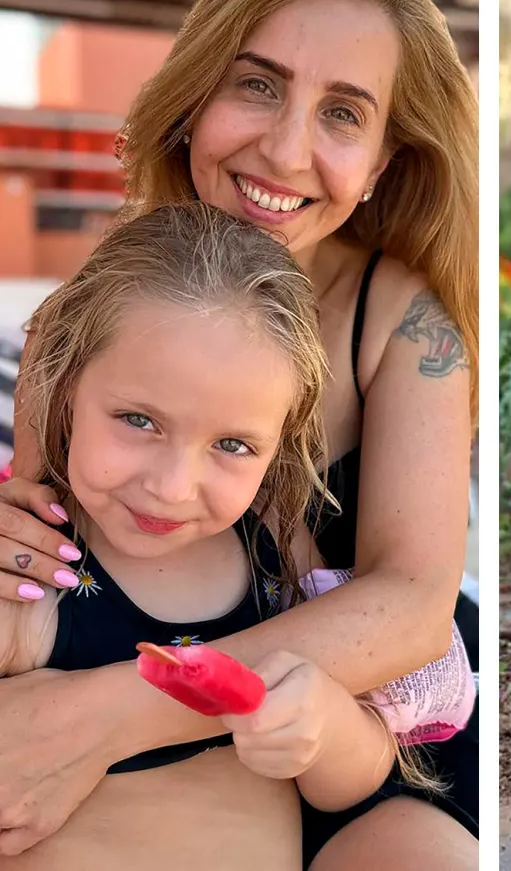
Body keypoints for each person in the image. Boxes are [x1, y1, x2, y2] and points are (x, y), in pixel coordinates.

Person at [0, 0, 478, 866]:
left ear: (383, 159)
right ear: (194, 94)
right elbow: (48, 524)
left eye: (344, 112)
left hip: (349, 724)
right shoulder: (108, 299)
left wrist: (111, 714)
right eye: (256, 84)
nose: (285, 149)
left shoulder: (405, 320)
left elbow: (415, 602)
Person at [0, 202, 407, 869]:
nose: (173, 485)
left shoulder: (275, 557)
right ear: (67, 385)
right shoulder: (38, 563)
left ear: (280, 443)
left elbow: (358, 779)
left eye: (231, 444)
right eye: (139, 419)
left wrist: (324, 729)